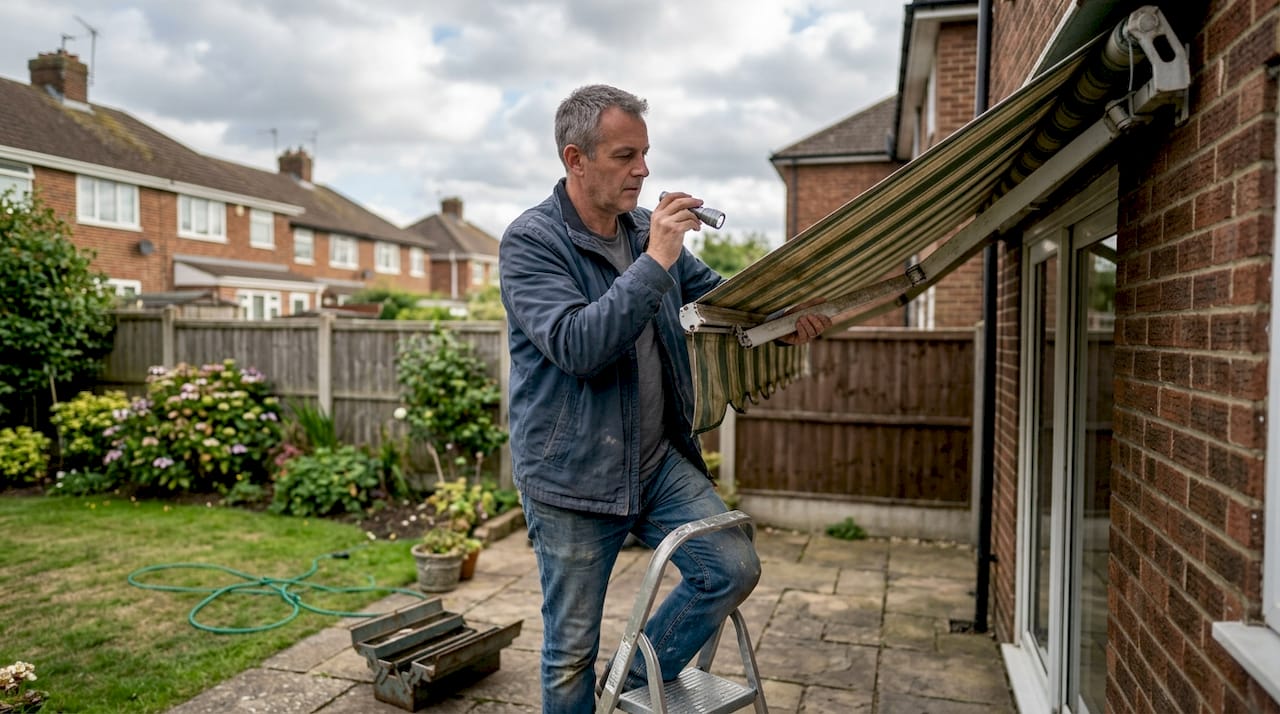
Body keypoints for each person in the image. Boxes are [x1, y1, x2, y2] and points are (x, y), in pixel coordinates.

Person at [498, 84, 829, 713]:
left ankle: (627, 685)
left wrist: (784, 317)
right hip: (571, 477)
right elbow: (578, 346)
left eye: (645, 154)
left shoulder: (643, 230)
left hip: (654, 461)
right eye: (625, 156)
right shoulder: (532, 242)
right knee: (569, 653)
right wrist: (655, 261)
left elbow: (722, 300)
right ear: (575, 159)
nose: (643, 170)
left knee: (730, 567)